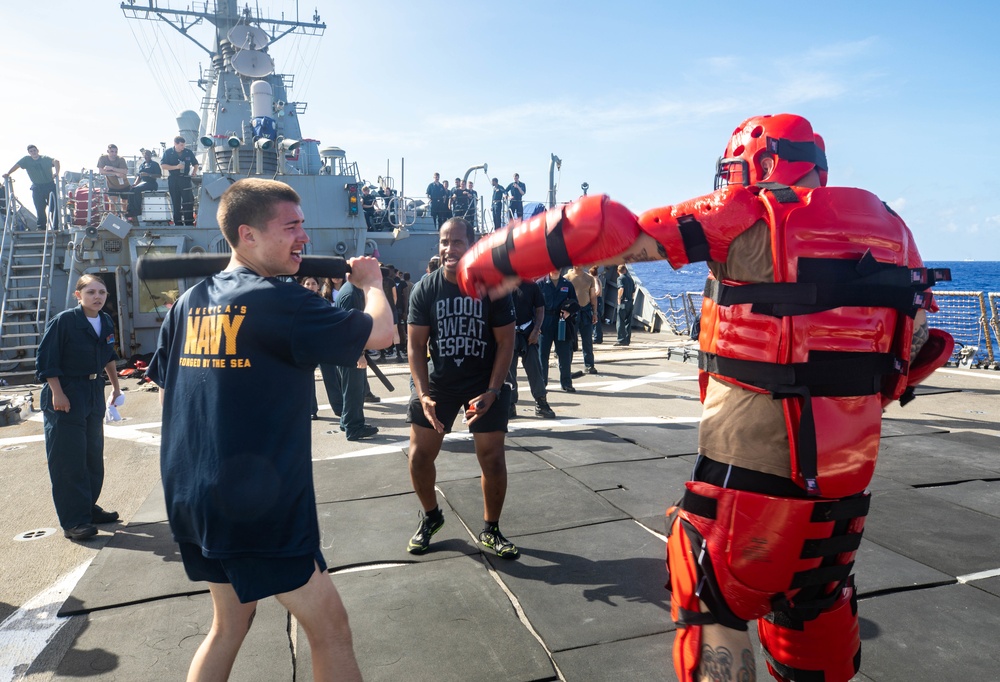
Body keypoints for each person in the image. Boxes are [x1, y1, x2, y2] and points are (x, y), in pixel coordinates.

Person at [455, 113, 954, 682]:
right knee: (814, 619)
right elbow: (916, 351)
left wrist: (496, 258)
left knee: (710, 599)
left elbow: (610, 231)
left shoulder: (744, 215)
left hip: (751, 479)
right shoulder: (893, 230)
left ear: (763, 163)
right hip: (843, 489)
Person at [146, 178, 393, 681]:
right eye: (292, 226)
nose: (305, 237)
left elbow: (173, 397)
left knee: (229, 625)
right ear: (248, 235)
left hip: (194, 498)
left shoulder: (191, 301)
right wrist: (372, 284)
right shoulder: (282, 302)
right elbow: (383, 333)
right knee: (331, 629)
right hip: (257, 506)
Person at [405, 217, 518, 558]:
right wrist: (423, 395)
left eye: (457, 242)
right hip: (439, 384)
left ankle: (492, 530)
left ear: (472, 245)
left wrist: (494, 390)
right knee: (419, 456)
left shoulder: (492, 287)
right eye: (444, 241)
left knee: (493, 458)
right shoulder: (425, 288)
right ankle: (431, 516)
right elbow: (414, 347)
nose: (449, 248)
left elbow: (506, 342)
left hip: (482, 383)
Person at [35, 274, 122, 541]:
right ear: (78, 295)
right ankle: (74, 521)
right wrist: (57, 393)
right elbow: (47, 360)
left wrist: (116, 388)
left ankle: (88, 508)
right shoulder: (64, 322)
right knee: (68, 459)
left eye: (102, 293)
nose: (97, 297)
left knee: (92, 455)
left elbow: (108, 357)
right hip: (67, 391)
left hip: (93, 392)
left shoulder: (105, 320)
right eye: (91, 292)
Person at [335, 278, 380, 440]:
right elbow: (350, 328)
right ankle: (354, 427)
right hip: (350, 351)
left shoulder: (350, 290)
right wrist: (359, 354)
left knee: (353, 390)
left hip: (348, 351)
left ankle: (347, 421)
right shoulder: (350, 294)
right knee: (354, 391)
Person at [507, 279, 555, 419]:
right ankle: (509, 404)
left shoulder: (531, 285)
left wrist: (536, 330)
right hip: (508, 334)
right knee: (508, 372)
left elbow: (540, 309)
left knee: (535, 370)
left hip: (528, 333)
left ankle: (541, 403)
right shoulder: (501, 285)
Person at [298, 276, 344, 421]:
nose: (310, 286)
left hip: (324, 345)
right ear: (302, 285)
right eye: (307, 284)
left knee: (331, 378)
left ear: (318, 286)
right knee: (307, 380)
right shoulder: (297, 303)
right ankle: (311, 410)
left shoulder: (323, 302)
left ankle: (339, 408)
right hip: (305, 346)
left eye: (313, 284)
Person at [538, 269, 579, 392]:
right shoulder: (540, 284)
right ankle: (542, 383)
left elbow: (575, 303)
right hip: (545, 321)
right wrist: (536, 325)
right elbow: (533, 304)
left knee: (564, 353)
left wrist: (569, 312)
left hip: (561, 321)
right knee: (542, 354)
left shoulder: (567, 284)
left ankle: (566, 383)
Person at [4, 144, 60, 229]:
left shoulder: (45, 158)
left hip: (50, 186)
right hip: (37, 187)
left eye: (34, 150)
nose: (33, 152)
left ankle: (56, 227)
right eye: (31, 151)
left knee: (54, 207)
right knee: (39, 208)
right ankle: (41, 227)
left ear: (37, 150)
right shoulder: (26, 159)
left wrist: (56, 173)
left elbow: (56, 161)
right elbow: (17, 166)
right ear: (29, 153)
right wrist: (8, 173)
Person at [566, 264, 599, 373]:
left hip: (586, 312)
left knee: (587, 340)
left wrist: (594, 313)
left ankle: (589, 365)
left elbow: (593, 296)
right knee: (570, 341)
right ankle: (567, 366)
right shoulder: (567, 278)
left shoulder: (589, 278)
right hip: (571, 313)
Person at [160, 135, 199, 226]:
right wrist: (176, 167)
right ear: (175, 144)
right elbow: (163, 166)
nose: (183, 147)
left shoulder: (188, 152)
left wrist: (194, 172)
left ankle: (189, 222)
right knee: (176, 201)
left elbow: (195, 163)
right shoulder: (168, 152)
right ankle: (178, 223)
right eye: (181, 145)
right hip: (174, 179)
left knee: (188, 201)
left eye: (184, 145)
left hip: (185, 178)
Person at [128, 149, 161, 220]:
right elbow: (139, 176)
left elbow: (159, 175)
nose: (147, 156)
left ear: (150, 155)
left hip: (151, 183)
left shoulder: (154, 164)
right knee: (131, 190)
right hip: (143, 182)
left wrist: (148, 175)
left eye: (148, 155)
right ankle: (130, 210)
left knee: (137, 190)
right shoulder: (142, 165)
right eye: (145, 155)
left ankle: (137, 210)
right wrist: (134, 184)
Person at [614, 264, 635, 346]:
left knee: (620, 321)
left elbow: (621, 288)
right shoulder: (630, 279)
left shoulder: (620, 278)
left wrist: (619, 299)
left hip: (623, 302)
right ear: (625, 270)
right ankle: (627, 340)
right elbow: (633, 292)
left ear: (618, 271)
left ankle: (621, 340)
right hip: (630, 302)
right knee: (628, 322)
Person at [589, 265, 604, 344]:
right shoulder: (598, 279)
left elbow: (597, 290)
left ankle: (597, 338)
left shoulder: (594, 280)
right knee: (598, 320)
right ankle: (599, 337)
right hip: (600, 300)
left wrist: (593, 296)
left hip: (597, 300)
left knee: (595, 320)